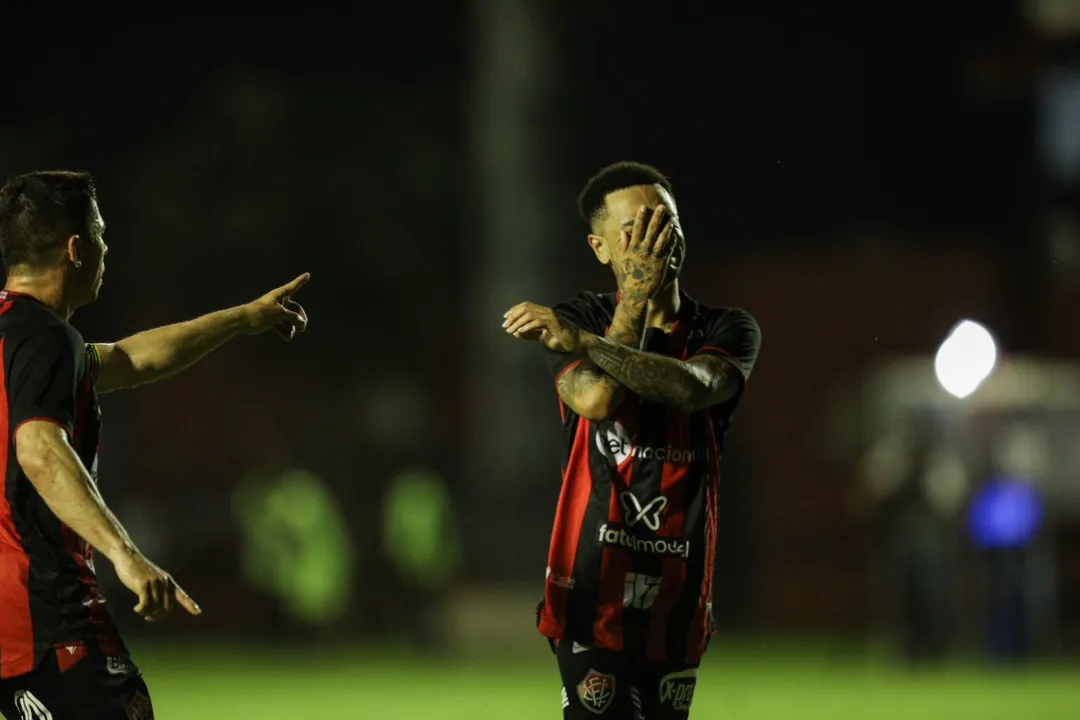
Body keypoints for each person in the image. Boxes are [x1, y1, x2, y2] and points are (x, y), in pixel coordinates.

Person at [0, 170, 309, 719]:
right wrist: (125, 553)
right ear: (75, 249)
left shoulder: (19, 338)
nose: (105, 247)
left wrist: (243, 318)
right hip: (45, 612)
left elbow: (130, 359)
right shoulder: (46, 340)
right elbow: (39, 448)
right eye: (99, 233)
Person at [503, 161, 760, 719]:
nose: (655, 240)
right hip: (591, 588)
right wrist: (632, 307)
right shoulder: (581, 315)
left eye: (665, 222)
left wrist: (589, 343)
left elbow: (694, 389)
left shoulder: (728, 329)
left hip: (677, 595)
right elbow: (596, 400)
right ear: (600, 248)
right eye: (635, 229)